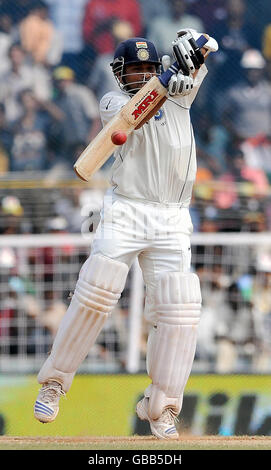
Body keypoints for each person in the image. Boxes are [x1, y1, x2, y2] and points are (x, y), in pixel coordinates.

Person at [33, 30, 218, 439]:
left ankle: (163, 409)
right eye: (134, 69)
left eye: (148, 68)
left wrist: (196, 47)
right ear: (120, 74)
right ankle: (55, 382)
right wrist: (166, 79)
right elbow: (139, 112)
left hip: (173, 217)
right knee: (97, 289)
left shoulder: (181, 91)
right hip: (127, 210)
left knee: (180, 308)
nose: (141, 74)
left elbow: (202, 51)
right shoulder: (112, 102)